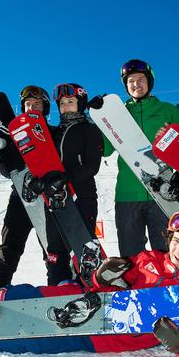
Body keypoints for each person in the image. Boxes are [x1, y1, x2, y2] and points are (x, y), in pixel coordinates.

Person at [0, 211, 179, 357]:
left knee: (45, 340)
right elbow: (105, 288)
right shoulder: (148, 260)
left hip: (107, 335)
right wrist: (101, 279)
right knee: (49, 294)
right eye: (176, 241)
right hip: (91, 303)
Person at [93, 59, 179, 257]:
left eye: (140, 79)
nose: (136, 84)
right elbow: (104, 149)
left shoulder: (167, 111)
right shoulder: (119, 114)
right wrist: (101, 117)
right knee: (131, 255)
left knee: (166, 252)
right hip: (127, 195)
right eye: (131, 81)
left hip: (163, 193)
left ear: (149, 82)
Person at [0, 86, 71, 287]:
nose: (32, 107)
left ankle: (60, 287)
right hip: (21, 198)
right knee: (9, 247)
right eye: (28, 105)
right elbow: (9, 170)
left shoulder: (55, 132)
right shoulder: (13, 137)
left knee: (53, 248)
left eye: (37, 104)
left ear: (44, 109)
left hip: (49, 198)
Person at [51, 82, 103, 239]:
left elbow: (92, 167)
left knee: (82, 244)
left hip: (82, 195)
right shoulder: (55, 133)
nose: (65, 107)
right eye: (62, 103)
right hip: (56, 197)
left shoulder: (89, 129)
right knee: (56, 249)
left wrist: (65, 177)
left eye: (70, 102)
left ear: (80, 104)